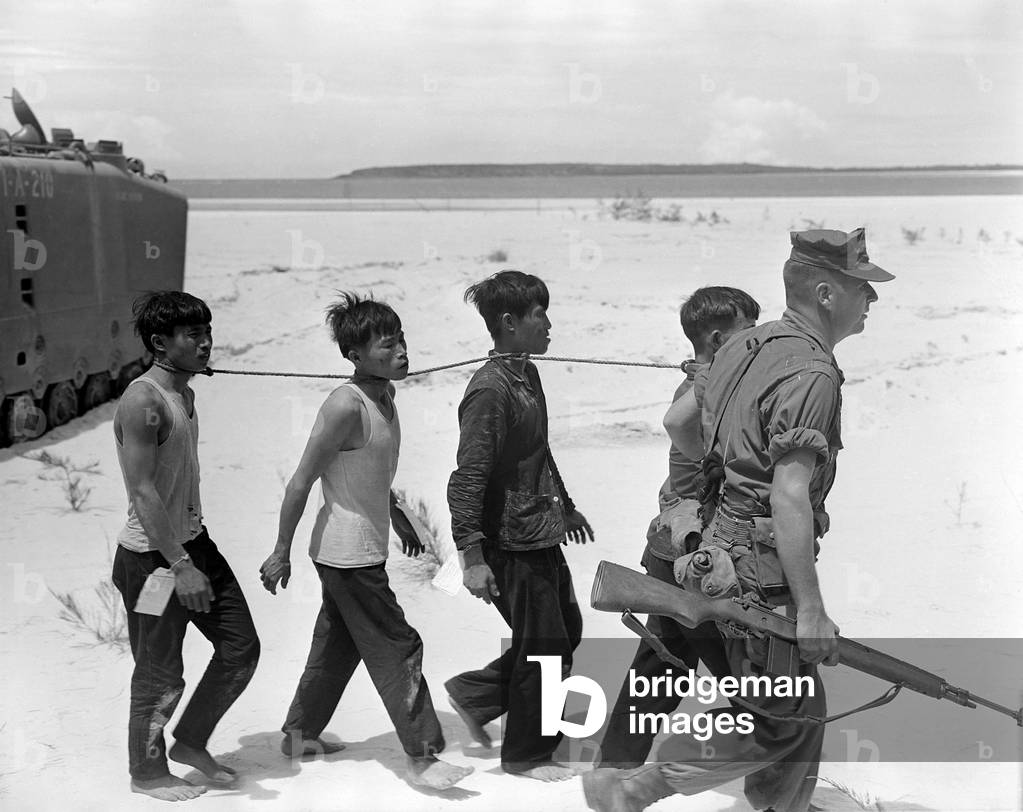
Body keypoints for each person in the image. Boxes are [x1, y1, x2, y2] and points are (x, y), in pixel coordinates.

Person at [583, 228, 894, 812]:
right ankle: (638, 788)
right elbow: (789, 498)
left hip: (715, 551)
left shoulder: (746, 347)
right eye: (862, 288)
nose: (871, 299)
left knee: (795, 709)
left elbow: (681, 427)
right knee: (783, 717)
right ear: (826, 293)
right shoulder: (812, 374)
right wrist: (809, 607)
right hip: (756, 569)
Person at [258, 293, 472, 791]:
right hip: (345, 553)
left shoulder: (385, 397)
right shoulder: (343, 406)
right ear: (354, 354)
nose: (401, 350)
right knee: (399, 645)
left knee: (337, 646)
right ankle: (424, 755)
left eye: (401, 339)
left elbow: (370, 470)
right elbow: (300, 481)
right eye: (386, 344)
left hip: (362, 546)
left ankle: (299, 736)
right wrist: (279, 550)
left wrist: (396, 514)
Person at [595, 286, 760, 770]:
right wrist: (707, 381)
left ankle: (612, 773)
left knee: (663, 667)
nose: (756, 345)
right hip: (692, 554)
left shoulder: (713, 385)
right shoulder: (703, 391)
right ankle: (775, 785)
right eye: (746, 336)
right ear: (714, 339)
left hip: (672, 552)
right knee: (746, 678)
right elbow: (676, 425)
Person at [445, 270, 594, 782]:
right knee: (545, 647)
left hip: (540, 529)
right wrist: (472, 557)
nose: (549, 324)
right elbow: (468, 477)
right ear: (509, 323)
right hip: (508, 541)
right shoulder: (489, 391)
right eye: (539, 315)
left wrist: (566, 507)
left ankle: (475, 694)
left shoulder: (525, 374)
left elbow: (537, 451)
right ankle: (527, 755)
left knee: (564, 634)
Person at [111, 291, 260, 802]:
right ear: (159, 343)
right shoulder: (142, 401)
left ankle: (191, 742)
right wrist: (179, 566)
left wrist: (191, 558)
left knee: (241, 648)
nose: (206, 343)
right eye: (192, 335)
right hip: (153, 561)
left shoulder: (185, 394)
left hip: (195, 545)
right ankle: (147, 773)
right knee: (159, 671)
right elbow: (143, 491)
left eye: (207, 332)